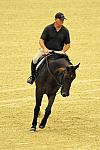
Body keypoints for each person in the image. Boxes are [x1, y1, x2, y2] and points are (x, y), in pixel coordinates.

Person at [27, 12, 70, 84]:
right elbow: (41, 40)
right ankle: (32, 76)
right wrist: (44, 48)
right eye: (61, 19)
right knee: (35, 59)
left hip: (58, 52)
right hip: (46, 50)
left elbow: (68, 44)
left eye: (63, 20)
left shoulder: (65, 31)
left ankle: (66, 80)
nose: (62, 21)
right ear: (56, 19)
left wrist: (63, 51)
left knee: (68, 63)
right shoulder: (48, 28)